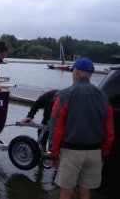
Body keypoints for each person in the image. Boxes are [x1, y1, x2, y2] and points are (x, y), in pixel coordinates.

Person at [48, 57, 114, 199]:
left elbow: (56, 127)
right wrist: (103, 155)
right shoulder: (103, 97)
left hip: (71, 153)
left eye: (73, 71)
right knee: (85, 191)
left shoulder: (64, 95)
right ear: (90, 74)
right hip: (95, 153)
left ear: (76, 72)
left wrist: (53, 155)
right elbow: (109, 131)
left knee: (66, 190)